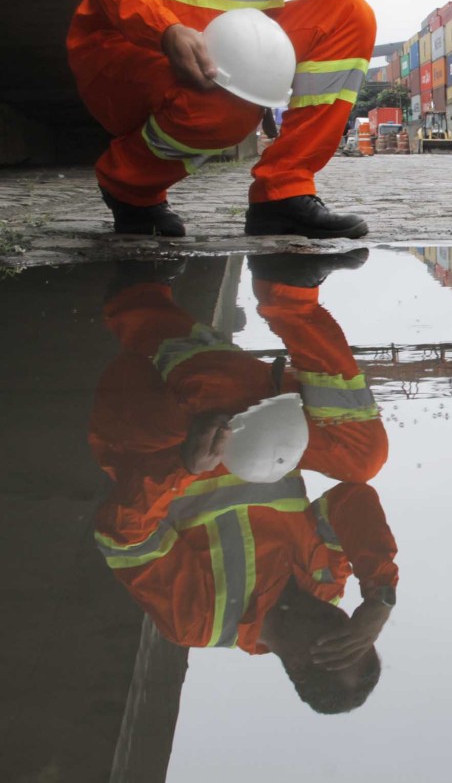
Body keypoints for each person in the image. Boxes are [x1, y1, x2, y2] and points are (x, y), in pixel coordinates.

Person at [90, 252, 396, 713]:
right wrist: (380, 593)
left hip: (154, 435)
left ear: (297, 663)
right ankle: (289, 296)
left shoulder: (200, 620)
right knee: (364, 455)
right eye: (353, 625)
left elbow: (121, 536)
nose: (339, 615)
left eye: (336, 638)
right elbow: (353, 498)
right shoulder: (326, 582)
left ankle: (139, 297)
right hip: (238, 415)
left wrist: (182, 466)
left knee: (223, 397)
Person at [67, 0, 376, 239]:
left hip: (232, 44)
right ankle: (130, 186)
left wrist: (268, 63)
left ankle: (283, 190)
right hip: (128, 40)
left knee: (349, 14)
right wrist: (164, 30)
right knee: (219, 112)